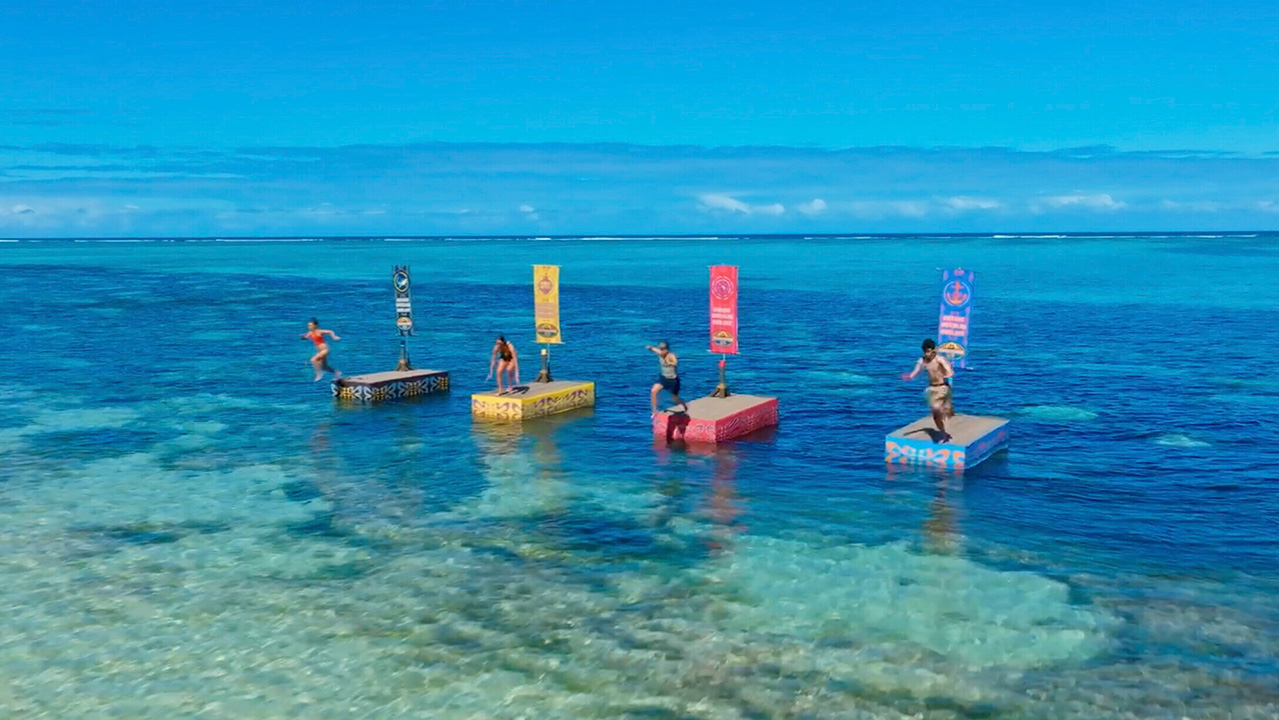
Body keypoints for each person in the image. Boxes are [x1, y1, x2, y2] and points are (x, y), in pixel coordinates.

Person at [901, 338, 954, 441]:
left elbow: (948, 370)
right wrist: (910, 376)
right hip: (931, 388)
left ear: (933, 350)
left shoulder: (939, 359)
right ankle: (944, 433)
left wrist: (949, 373)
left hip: (942, 387)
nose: (926, 354)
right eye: (925, 351)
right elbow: (917, 369)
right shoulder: (923, 360)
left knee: (936, 407)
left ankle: (946, 409)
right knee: (935, 416)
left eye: (928, 351)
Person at [646, 341, 687, 417]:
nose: (662, 351)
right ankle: (654, 411)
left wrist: (669, 363)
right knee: (653, 391)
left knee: (675, 400)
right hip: (664, 378)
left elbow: (675, 362)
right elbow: (653, 349)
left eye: (664, 349)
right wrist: (650, 348)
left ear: (667, 349)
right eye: (661, 349)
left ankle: (683, 404)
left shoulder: (671, 355)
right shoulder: (660, 353)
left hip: (672, 380)